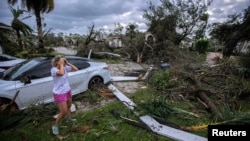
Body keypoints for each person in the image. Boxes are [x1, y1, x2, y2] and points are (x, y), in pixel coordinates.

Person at [51, 55, 78, 135]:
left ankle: (69, 119)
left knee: (69, 106)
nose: (63, 62)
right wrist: (62, 64)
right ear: (57, 62)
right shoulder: (54, 70)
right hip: (59, 93)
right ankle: (55, 126)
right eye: (61, 60)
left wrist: (67, 63)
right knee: (63, 111)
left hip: (67, 90)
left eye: (63, 60)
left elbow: (76, 69)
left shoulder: (65, 67)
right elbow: (61, 73)